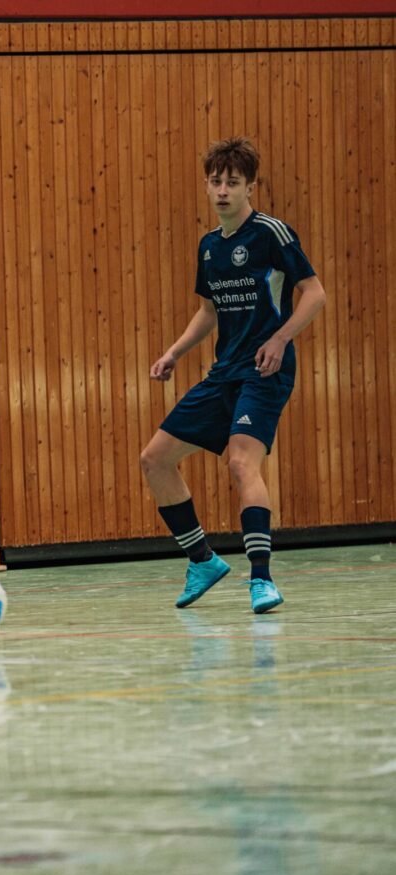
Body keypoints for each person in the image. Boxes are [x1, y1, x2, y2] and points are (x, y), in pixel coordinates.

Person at [140, 138, 326, 614]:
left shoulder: (271, 233)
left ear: (250, 188)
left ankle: (261, 579)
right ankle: (202, 561)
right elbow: (209, 311)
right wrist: (174, 353)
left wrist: (280, 339)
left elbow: (314, 294)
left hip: (265, 370)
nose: (223, 190)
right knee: (155, 459)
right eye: (216, 182)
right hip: (224, 372)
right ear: (207, 186)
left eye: (233, 182)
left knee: (242, 463)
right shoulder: (209, 247)